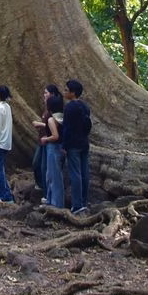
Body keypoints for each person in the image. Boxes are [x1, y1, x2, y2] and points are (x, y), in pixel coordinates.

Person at [62, 79, 91, 214]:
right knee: (84, 173)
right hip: (84, 143)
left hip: (73, 144)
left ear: (73, 93)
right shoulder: (85, 107)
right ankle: (83, 202)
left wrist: (64, 145)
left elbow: (67, 128)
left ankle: (77, 205)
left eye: (66, 90)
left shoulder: (69, 108)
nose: (64, 92)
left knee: (75, 174)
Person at [31, 84, 60, 192]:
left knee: (44, 167)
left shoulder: (55, 108)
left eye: (46, 93)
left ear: (52, 94)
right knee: (36, 164)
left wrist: (40, 124)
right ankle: (41, 186)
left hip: (48, 141)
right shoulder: (47, 107)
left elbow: (56, 125)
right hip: (42, 140)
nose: (44, 95)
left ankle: (46, 191)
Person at [39, 92, 65, 207]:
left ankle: (56, 204)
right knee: (51, 175)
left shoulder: (51, 119)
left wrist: (45, 139)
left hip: (53, 148)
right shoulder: (61, 117)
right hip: (60, 148)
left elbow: (55, 136)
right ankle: (50, 200)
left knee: (54, 176)